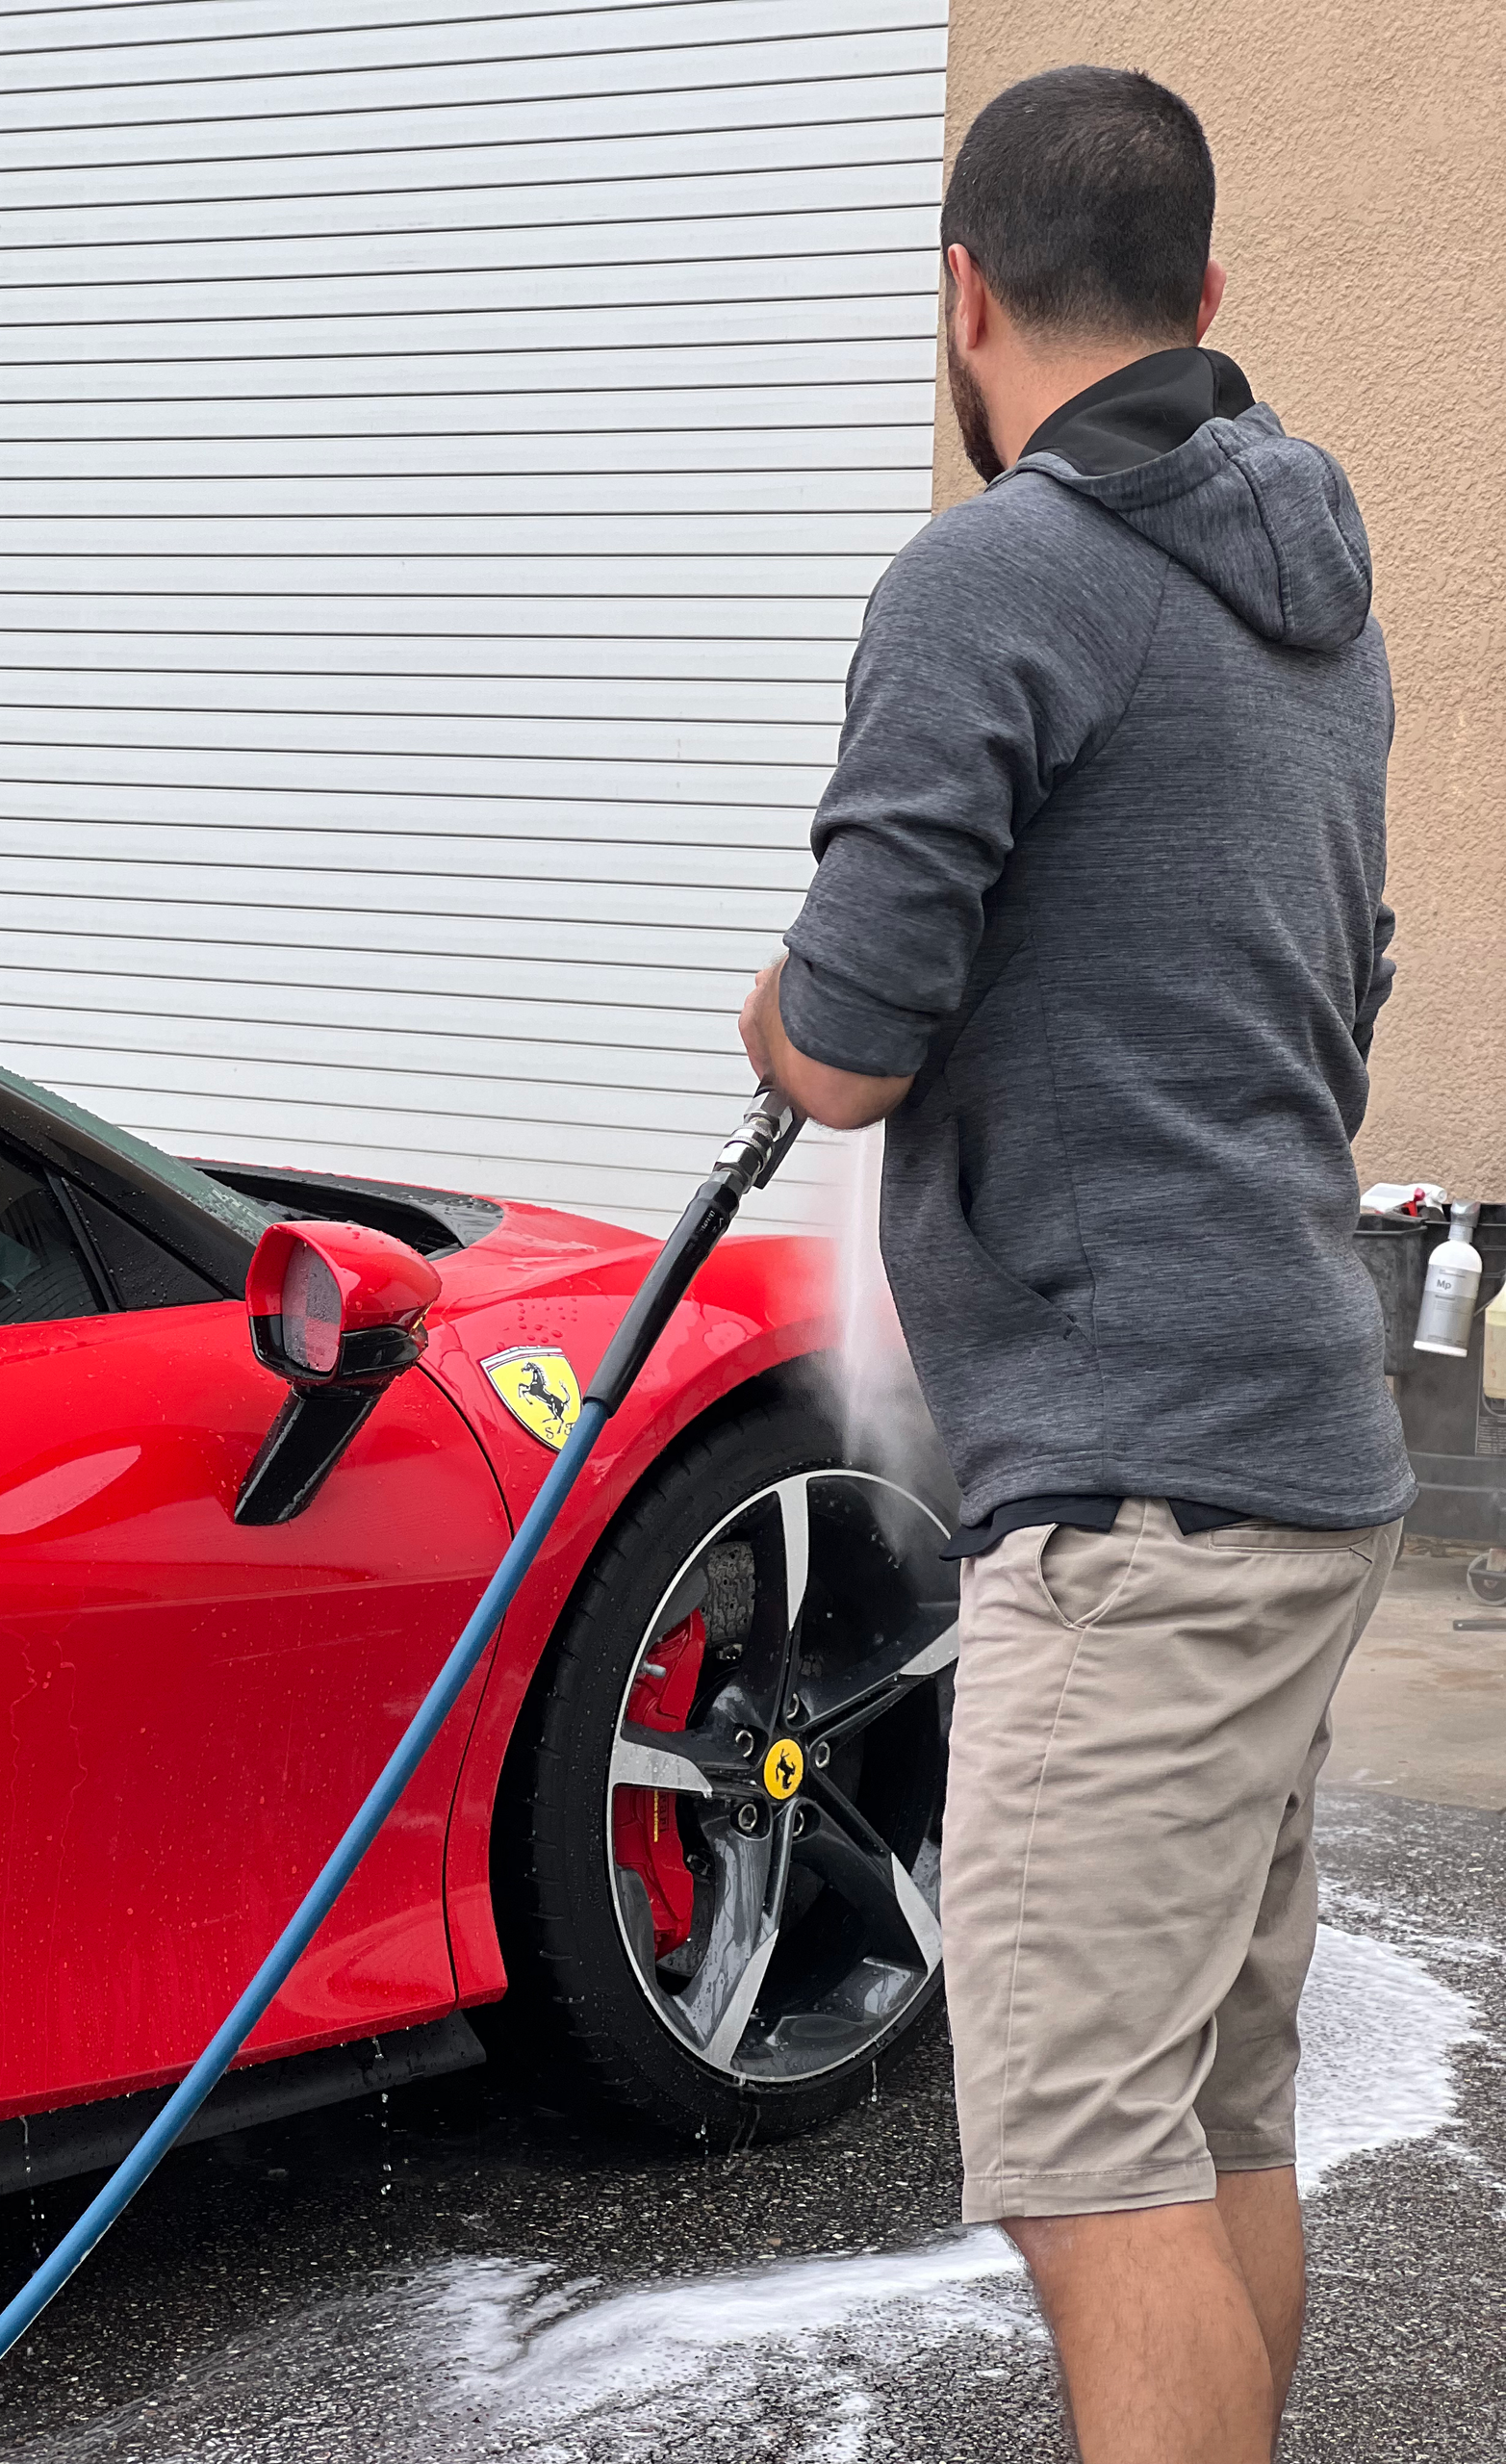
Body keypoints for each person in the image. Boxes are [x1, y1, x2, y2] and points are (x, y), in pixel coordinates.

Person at [739, 64, 1413, 2464]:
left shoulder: (993, 573)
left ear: (966, 294)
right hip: (1304, 1441)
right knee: (1213, 2108)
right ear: (1209, 302)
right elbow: (1346, 976)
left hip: (1135, 1496)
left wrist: (780, 1016)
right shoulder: (1317, 599)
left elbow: (842, 1035)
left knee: (1079, 2150)